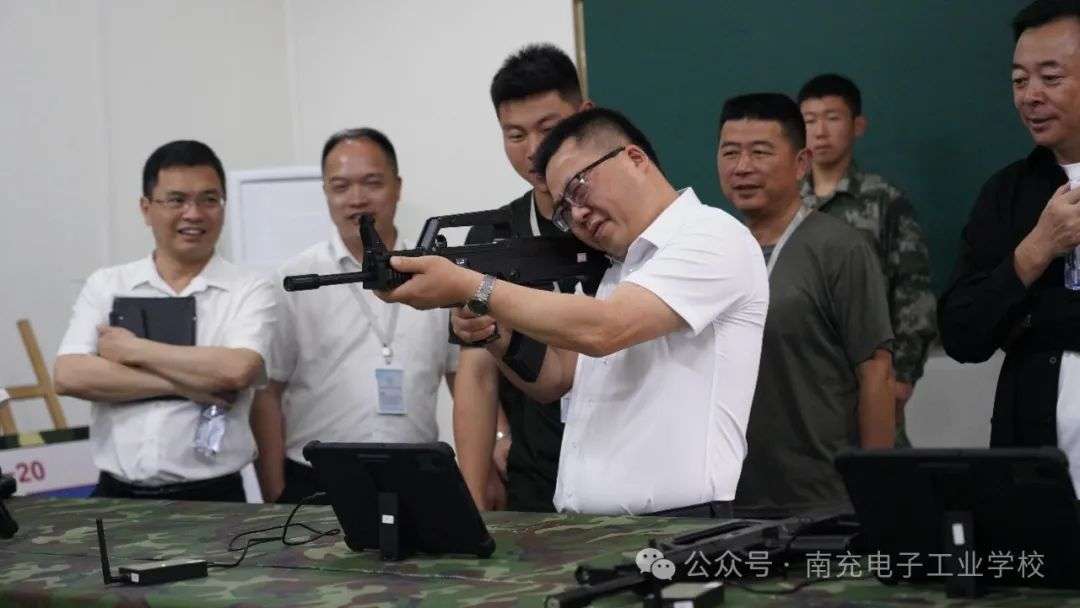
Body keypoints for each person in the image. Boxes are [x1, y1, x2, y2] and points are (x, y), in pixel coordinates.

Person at [378, 107, 769, 516]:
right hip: (596, 528)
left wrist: (473, 286)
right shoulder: (620, 269)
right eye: (564, 210)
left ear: (634, 159)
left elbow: (606, 330)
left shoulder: (710, 235)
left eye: (578, 189)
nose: (577, 215)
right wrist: (494, 332)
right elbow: (557, 377)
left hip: (678, 526)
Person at [53, 140, 275, 502]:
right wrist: (188, 386)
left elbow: (237, 370)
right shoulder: (108, 284)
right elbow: (69, 375)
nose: (194, 213)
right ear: (146, 208)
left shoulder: (249, 288)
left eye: (209, 199)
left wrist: (133, 350)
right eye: (176, 200)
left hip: (214, 498)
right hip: (116, 496)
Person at [250, 128, 457, 504]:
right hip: (315, 477)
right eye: (341, 186)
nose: (357, 199)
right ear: (326, 193)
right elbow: (268, 391)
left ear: (397, 187)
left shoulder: (437, 272)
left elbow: (466, 377)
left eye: (372, 183)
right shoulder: (294, 278)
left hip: (417, 475)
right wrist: (274, 490)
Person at [716, 93, 895, 511]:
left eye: (760, 152)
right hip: (726, 497)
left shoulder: (840, 249)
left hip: (819, 496)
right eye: (730, 152)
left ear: (801, 163)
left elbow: (876, 373)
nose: (742, 167)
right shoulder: (713, 250)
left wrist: (877, 493)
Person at [940, 0, 1080, 491]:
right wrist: (1035, 249)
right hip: (1035, 471)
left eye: (1050, 78)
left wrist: (1038, 316)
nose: (1030, 97)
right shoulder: (1007, 193)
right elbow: (961, 333)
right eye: (1019, 81)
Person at [453, 43, 592, 512]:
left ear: (584, 116)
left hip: (632, 480)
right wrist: (472, 502)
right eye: (514, 134)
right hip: (534, 479)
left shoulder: (620, 224)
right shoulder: (491, 237)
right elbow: (476, 376)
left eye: (548, 129)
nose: (533, 151)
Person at [797, 74, 936, 442]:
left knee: (877, 470)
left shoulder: (884, 200)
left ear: (857, 126)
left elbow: (913, 292)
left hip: (870, 374)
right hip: (800, 382)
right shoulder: (786, 202)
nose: (820, 132)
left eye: (832, 118)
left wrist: (903, 375)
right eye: (809, 121)